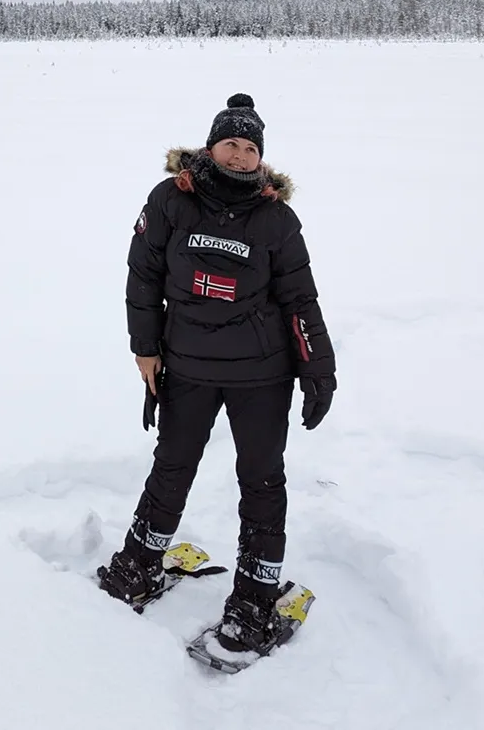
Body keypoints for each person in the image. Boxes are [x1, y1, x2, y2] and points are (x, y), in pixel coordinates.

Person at [98, 93, 336, 653]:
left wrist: (318, 368)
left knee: (261, 479)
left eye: (250, 147)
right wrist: (145, 348)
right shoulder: (170, 200)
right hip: (185, 364)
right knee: (173, 464)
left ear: (261, 159)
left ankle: (252, 605)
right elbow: (143, 277)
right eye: (231, 142)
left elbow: (299, 298)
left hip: (262, 373)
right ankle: (137, 566)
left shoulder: (277, 218)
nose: (239, 154)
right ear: (210, 146)